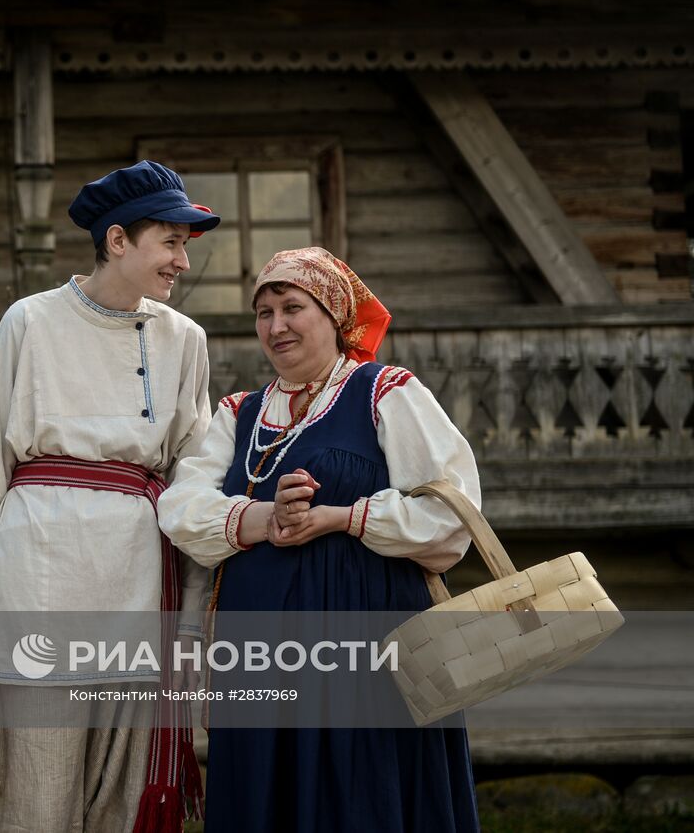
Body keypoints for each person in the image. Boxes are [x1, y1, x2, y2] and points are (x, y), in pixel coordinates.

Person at [0, 160, 219, 833]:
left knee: (122, 807)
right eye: (170, 242)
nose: (182, 262)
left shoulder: (184, 340)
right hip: (41, 590)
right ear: (118, 240)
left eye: (185, 246)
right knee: (35, 805)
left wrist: (193, 623)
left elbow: (195, 484)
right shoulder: (29, 322)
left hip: (142, 595)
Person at [158, 246, 481, 833]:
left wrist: (342, 517)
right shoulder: (240, 413)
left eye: (292, 307)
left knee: (361, 795)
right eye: (264, 312)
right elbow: (180, 509)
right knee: (268, 797)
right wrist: (260, 517)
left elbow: (451, 518)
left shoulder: (384, 391)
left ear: (333, 314)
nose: (276, 326)